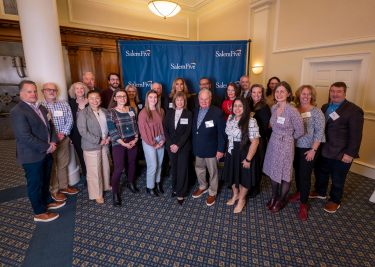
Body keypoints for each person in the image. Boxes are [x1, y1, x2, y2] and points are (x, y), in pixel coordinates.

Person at [10, 81, 63, 222]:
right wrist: (47, 147)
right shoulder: (17, 111)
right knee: (35, 184)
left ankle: (47, 201)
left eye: (34, 91)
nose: (33, 94)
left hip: (47, 151)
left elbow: (50, 126)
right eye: (29, 92)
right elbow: (25, 137)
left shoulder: (41, 107)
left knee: (46, 180)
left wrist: (52, 142)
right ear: (21, 94)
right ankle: (39, 213)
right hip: (31, 155)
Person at [310, 82, 364, 213]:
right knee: (320, 173)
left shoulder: (353, 109)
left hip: (341, 153)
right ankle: (320, 191)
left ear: (345, 93)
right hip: (323, 149)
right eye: (332, 91)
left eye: (338, 91)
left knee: (337, 179)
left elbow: (356, 135)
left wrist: (350, 153)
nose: (335, 94)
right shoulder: (324, 107)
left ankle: (335, 201)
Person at [263, 81, 304, 213]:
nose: (279, 94)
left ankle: (281, 199)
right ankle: (274, 196)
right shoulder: (274, 108)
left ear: (288, 94)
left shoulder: (292, 111)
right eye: (277, 91)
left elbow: (300, 131)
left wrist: (288, 138)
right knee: (272, 170)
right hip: (273, 142)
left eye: (282, 91)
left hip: (286, 144)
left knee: (285, 174)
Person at [287, 85, 325, 221]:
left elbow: (319, 133)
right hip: (293, 147)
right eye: (303, 93)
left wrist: (313, 150)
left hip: (308, 149)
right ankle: (299, 192)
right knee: (297, 172)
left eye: (308, 94)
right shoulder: (294, 110)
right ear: (299, 95)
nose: (306, 96)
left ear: (312, 96)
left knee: (305, 175)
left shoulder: (316, 112)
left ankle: (303, 204)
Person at [41, 83, 79, 202]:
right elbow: (41, 126)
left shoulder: (64, 104)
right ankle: (54, 190)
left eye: (54, 90)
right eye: (49, 89)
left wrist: (63, 133)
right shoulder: (40, 107)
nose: (52, 92)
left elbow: (70, 120)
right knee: (51, 165)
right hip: (49, 141)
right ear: (43, 91)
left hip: (63, 138)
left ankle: (64, 186)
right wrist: (54, 136)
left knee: (63, 163)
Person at [223, 98, 260, 213]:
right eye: (235, 106)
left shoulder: (251, 121)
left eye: (240, 106)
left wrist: (248, 160)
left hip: (244, 152)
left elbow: (255, 142)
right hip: (232, 152)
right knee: (232, 175)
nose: (237, 108)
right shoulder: (230, 118)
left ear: (245, 108)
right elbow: (229, 136)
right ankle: (236, 195)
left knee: (244, 177)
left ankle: (241, 200)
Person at [191, 89, 226, 206]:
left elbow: (222, 133)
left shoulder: (218, 113)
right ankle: (203, 186)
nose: (204, 101)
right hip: (197, 147)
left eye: (206, 98)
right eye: (202, 98)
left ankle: (212, 192)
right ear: (198, 99)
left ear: (210, 99)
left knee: (213, 172)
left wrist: (221, 149)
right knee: (199, 168)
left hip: (212, 148)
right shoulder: (194, 111)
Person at [77, 90, 111, 204]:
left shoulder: (105, 111)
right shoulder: (83, 113)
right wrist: (98, 140)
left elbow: (110, 126)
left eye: (97, 98)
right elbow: (82, 131)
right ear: (87, 100)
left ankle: (106, 186)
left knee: (105, 166)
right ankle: (96, 194)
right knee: (94, 171)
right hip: (91, 145)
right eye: (92, 98)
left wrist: (109, 137)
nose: (95, 100)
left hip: (105, 144)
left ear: (100, 100)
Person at [106, 89, 139, 206]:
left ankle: (130, 184)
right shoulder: (111, 112)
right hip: (118, 143)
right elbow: (112, 130)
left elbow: (135, 125)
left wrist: (135, 138)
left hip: (132, 141)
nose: (122, 98)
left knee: (132, 164)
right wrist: (123, 143)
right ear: (115, 98)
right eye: (119, 96)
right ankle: (115, 193)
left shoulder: (131, 109)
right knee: (118, 169)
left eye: (124, 96)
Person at [163, 92, 193, 205]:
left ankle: (181, 193)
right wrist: (171, 144)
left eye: (182, 100)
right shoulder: (169, 113)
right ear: (174, 101)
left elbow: (188, 132)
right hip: (171, 146)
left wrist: (178, 145)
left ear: (184, 102)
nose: (179, 102)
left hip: (183, 146)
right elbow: (165, 129)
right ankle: (175, 188)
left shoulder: (189, 114)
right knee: (174, 168)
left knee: (182, 169)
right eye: (177, 100)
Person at [138, 90, 166, 197]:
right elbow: (144, 132)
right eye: (151, 97)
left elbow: (163, 127)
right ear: (147, 98)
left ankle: (157, 183)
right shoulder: (143, 113)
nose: (153, 99)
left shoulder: (161, 111)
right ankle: (150, 187)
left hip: (160, 139)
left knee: (159, 164)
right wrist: (154, 143)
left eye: (155, 97)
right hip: (149, 141)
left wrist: (163, 139)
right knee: (152, 165)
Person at [248, 84, 271, 198]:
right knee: (249, 163)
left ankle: (255, 188)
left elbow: (264, 129)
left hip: (259, 140)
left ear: (262, 94)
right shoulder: (247, 104)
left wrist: (250, 133)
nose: (256, 95)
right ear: (250, 93)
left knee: (257, 164)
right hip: (248, 139)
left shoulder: (264, 107)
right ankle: (248, 184)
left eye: (259, 92)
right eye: (254, 92)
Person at [68, 82, 89, 183]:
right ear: (74, 91)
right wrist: (70, 136)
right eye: (77, 89)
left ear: (85, 90)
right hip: (76, 135)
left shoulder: (91, 101)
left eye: (82, 88)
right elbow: (69, 121)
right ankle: (87, 176)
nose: (80, 90)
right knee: (81, 156)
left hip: (91, 134)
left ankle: (95, 176)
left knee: (92, 155)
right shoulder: (70, 104)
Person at [152, 82, 170, 177]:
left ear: (161, 90)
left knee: (164, 151)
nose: (156, 90)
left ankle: (165, 170)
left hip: (164, 128)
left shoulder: (165, 100)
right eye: (154, 88)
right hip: (153, 131)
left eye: (158, 88)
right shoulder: (148, 101)